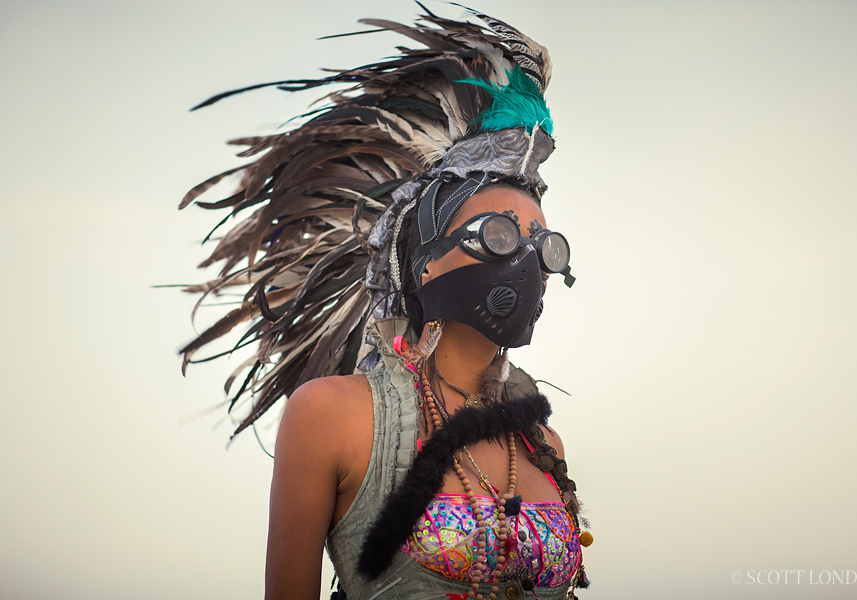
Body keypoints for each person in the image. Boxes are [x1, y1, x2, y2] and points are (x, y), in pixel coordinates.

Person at [179, 7, 591, 600]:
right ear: (422, 260)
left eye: (545, 244)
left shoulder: (543, 445)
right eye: (498, 234)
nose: (526, 257)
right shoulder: (332, 415)